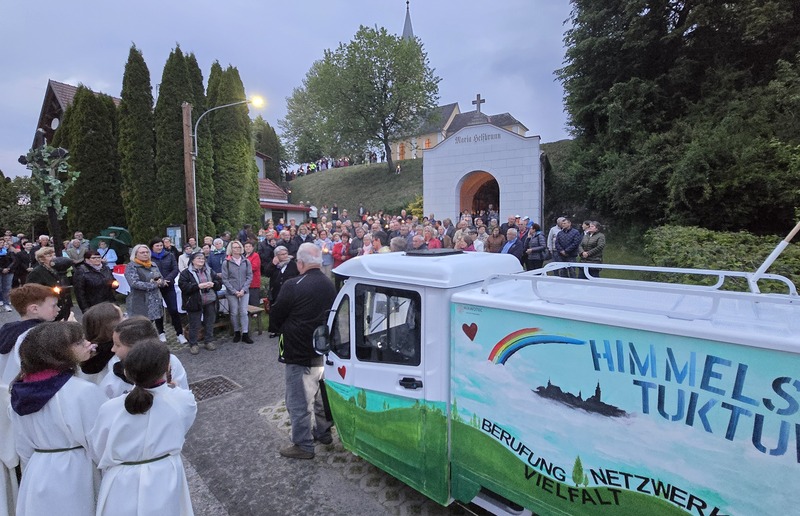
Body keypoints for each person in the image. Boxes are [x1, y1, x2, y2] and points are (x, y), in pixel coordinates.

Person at [89, 339, 197, 516]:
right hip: (165, 477)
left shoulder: (110, 409)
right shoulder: (183, 401)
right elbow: (182, 427)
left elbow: (98, 449)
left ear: (126, 371)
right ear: (167, 368)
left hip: (121, 481)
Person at [9, 322, 105, 516]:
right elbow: (100, 444)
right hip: (76, 475)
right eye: (78, 342)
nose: (87, 343)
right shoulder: (81, 391)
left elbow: (22, 446)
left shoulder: (19, 391)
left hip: (36, 472)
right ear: (58, 353)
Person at [270, 243, 337, 459]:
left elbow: (276, 316)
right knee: (321, 395)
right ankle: (323, 433)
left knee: (298, 401)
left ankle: (303, 445)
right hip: (322, 350)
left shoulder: (293, 285)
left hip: (298, 351)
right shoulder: (328, 284)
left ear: (300, 263)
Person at [99, 316, 189, 399]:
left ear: (136, 347)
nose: (112, 349)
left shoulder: (172, 363)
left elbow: (183, 394)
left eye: (117, 345)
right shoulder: (112, 380)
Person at [0, 284, 60, 385]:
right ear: (34, 309)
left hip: (6, 385)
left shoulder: (8, 330)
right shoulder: (40, 334)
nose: (58, 309)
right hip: (31, 387)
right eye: (54, 306)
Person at [179, 252, 222, 354]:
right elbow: (183, 287)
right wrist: (198, 286)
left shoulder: (210, 270)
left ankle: (208, 341)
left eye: (203, 259)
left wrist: (213, 284)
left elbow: (219, 283)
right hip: (195, 302)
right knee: (194, 324)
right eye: (198, 258)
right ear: (192, 260)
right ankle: (193, 344)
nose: (201, 260)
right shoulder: (186, 273)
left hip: (210, 300)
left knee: (209, 322)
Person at [124, 244, 166, 339]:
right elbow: (134, 283)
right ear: (135, 254)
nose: (145, 254)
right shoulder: (132, 266)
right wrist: (154, 284)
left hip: (154, 301)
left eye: (147, 252)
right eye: (142, 252)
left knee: (149, 326)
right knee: (139, 326)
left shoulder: (153, 264)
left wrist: (161, 282)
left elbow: (161, 278)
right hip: (140, 301)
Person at [149, 239, 186, 345]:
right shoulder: (149, 257)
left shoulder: (169, 255)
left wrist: (167, 280)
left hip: (168, 285)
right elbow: (148, 271)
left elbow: (175, 269)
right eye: (157, 245)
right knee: (158, 310)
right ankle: (161, 333)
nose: (159, 247)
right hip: (155, 286)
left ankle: (179, 333)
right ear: (152, 247)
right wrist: (158, 281)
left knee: (173, 309)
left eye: (161, 245)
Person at [79, 302, 123, 385]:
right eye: (123, 316)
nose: (127, 319)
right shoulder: (117, 357)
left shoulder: (85, 354)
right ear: (113, 328)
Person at [26, 246, 72, 321]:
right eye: (50, 256)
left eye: (54, 255)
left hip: (62, 305)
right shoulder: (36, 272)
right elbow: (30, 291)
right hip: (47, 308)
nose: (53, 258)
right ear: (41, 259)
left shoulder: (58, 270)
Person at [222, 240, 254, 344]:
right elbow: (225, 279)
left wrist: (243, 290)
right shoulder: (226, 263)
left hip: (244, 291)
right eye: (235, 247)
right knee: (234, 312)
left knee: (244, 312)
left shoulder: (246, 261)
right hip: (232, 292)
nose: (237, 249)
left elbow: (249, 276)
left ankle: (245, 333)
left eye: (239, 247)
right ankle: (236, 332)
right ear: (231, 249)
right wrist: (234, 291)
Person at [265, 246, 299, 338]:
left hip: (289, 291)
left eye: (286, 254)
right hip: (276, 290)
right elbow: (267, 273)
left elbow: (297, 275)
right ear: (277, 255)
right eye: (282, 254)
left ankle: (288, 328)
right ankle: (274, 330)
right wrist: (273, 264)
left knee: (289, 309)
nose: (284, 256)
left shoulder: (292, 264)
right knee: (275, 309)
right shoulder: (274, 264)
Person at [244, 241, 262, 307]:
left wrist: (243, 269)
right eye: (246, 247)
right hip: (245, 283)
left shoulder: (255, 255)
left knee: (254, 301)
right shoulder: (243, 256)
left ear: (252, 248)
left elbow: (254, 267)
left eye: (249, 246)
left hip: (254, 282)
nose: (248, 248)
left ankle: (256, 312)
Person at [0, 240, 14, 312]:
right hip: (1, 270)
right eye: (0, 243)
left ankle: (6, 304)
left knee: (7, 288)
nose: (2, 244)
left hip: (8, 271)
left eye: (3, 243)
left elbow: (14, 261)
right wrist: (2, 269)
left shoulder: (8, 252)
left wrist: (8, 268)